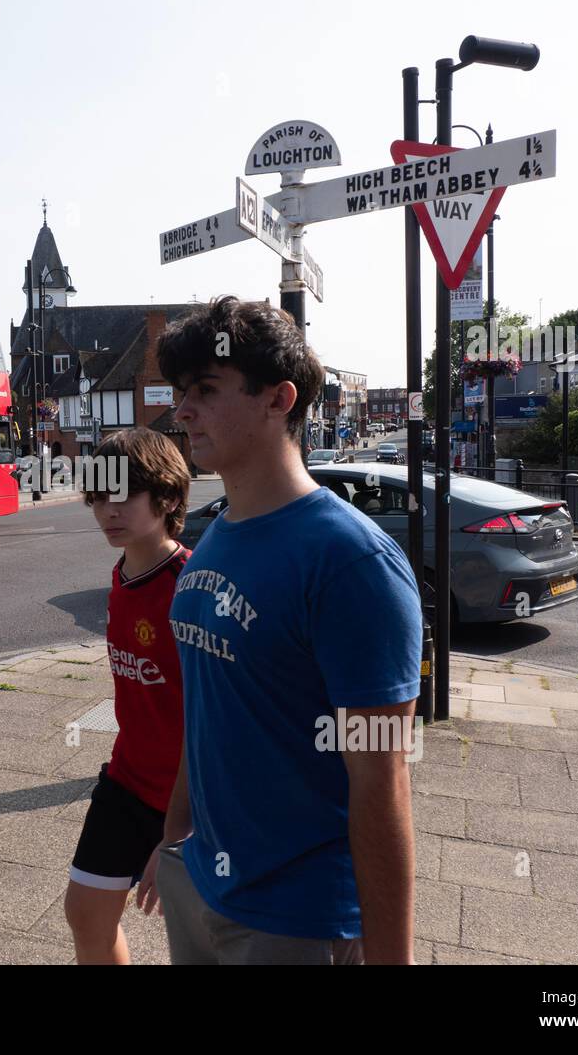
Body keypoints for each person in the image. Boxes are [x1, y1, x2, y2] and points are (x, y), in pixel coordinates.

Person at [136, 296, 423, 965]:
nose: (182, 411)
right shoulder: (212, 542)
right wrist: (173, 840)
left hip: (296, 921)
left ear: (277, 399)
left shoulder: (352, 565)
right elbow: (203, 714)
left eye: (206, 390)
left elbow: (382, 781)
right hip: (200, 882)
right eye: (181, 392)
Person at [64, 428, 191, 964]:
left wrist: (180, 831)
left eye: (123, 495)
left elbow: (212, 718)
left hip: (195, 799)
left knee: (201, 938)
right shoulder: (121, 575)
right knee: (86, 913)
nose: (106, 511)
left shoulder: (191, 584)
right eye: (98, 497)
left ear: (166, 498)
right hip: (127, 782)